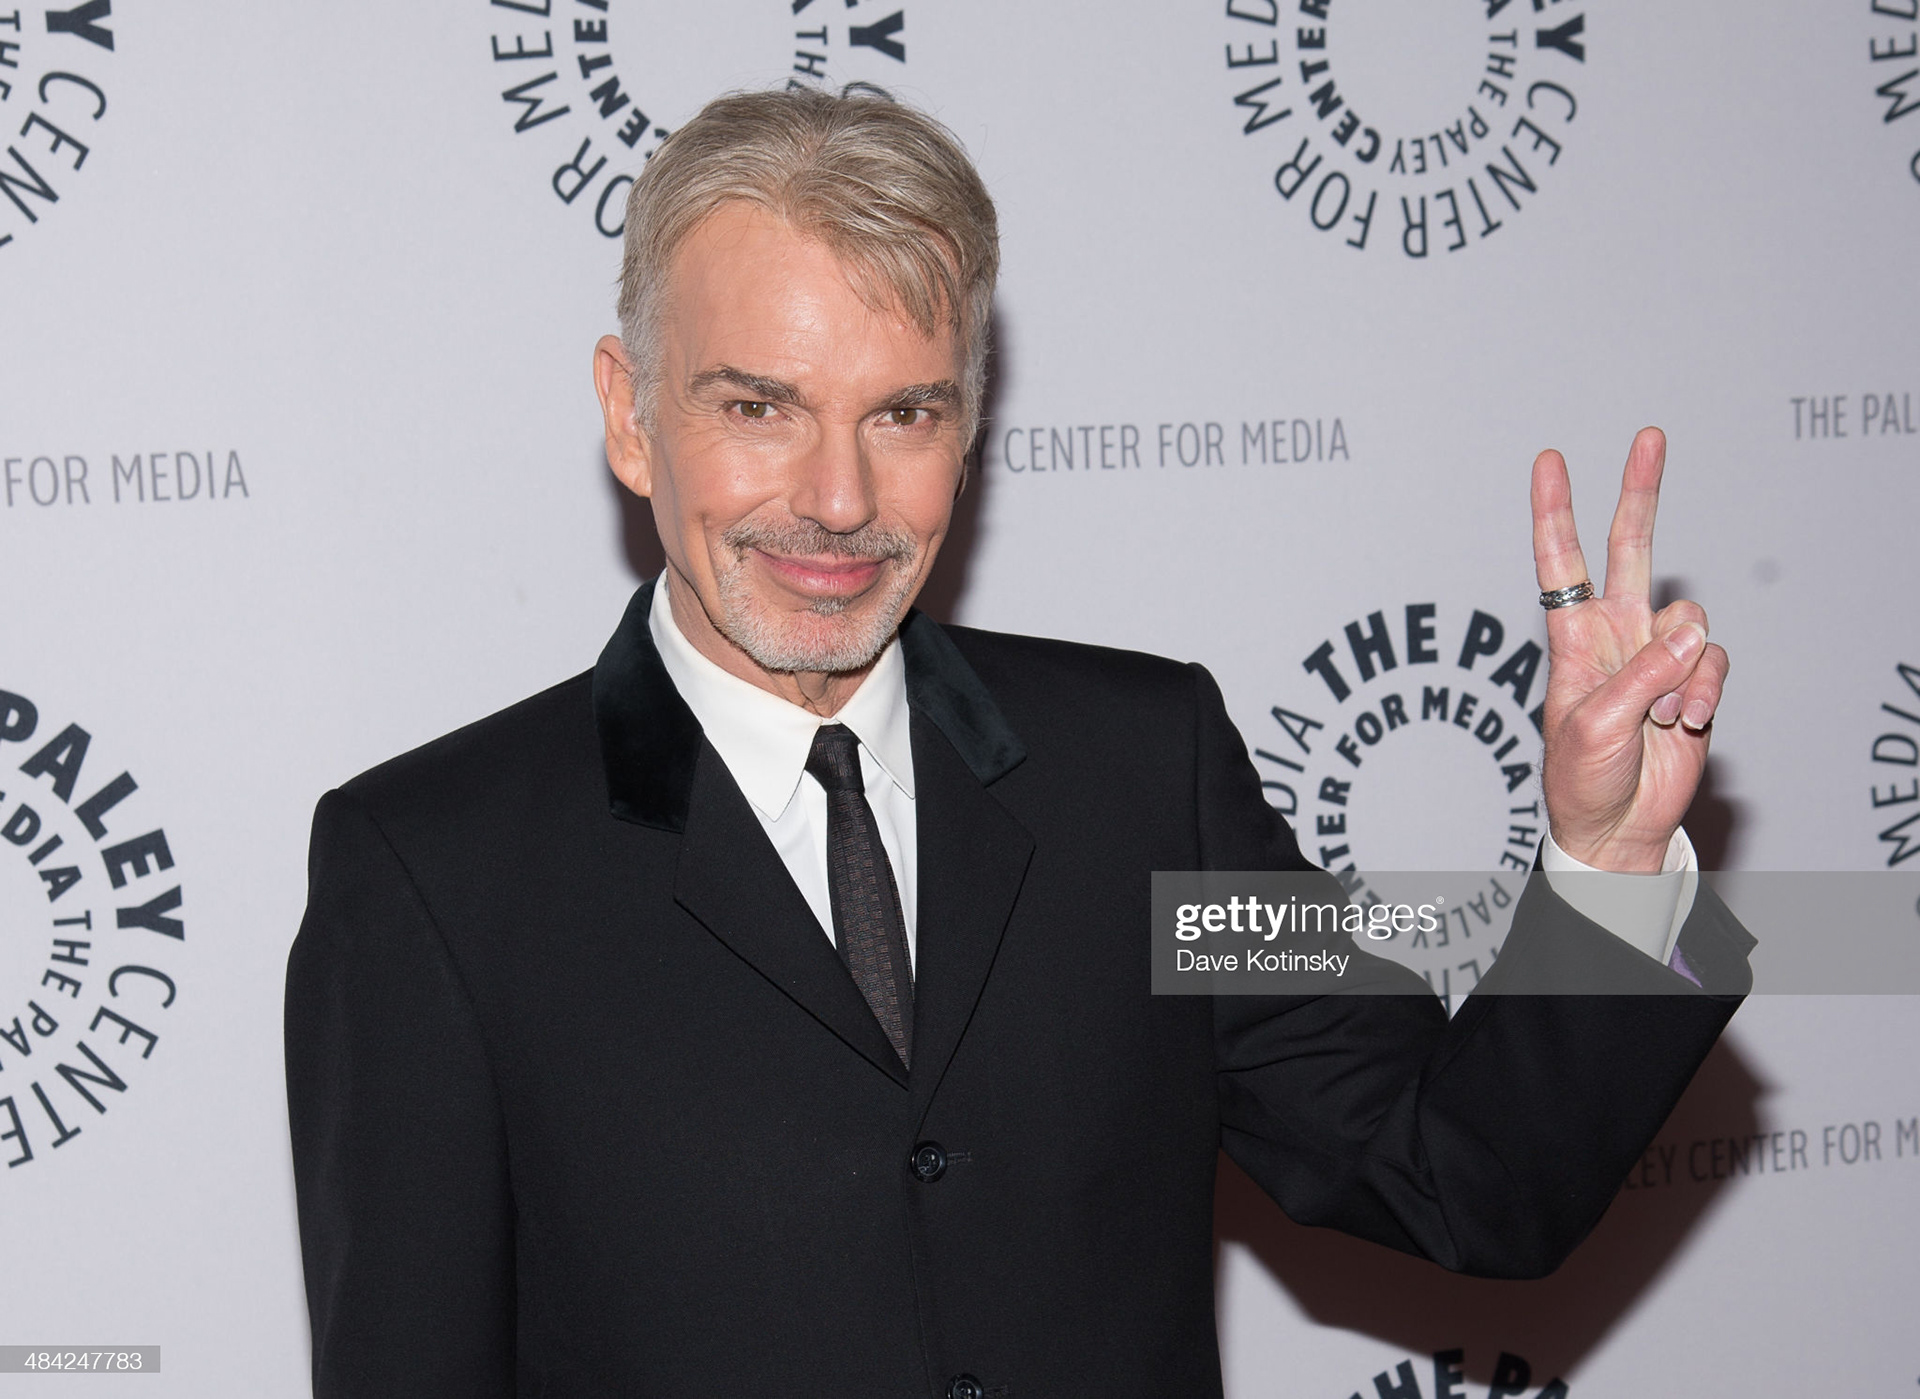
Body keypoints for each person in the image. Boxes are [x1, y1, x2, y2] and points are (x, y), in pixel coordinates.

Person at [284, 86, 1750, 1398]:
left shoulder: (1144, 776)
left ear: (971, 419)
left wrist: (1611, 866)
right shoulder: (434, 879)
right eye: (760, 407)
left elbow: (1461, 1178)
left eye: (904, 411)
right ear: (629, 415)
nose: (841, 499)